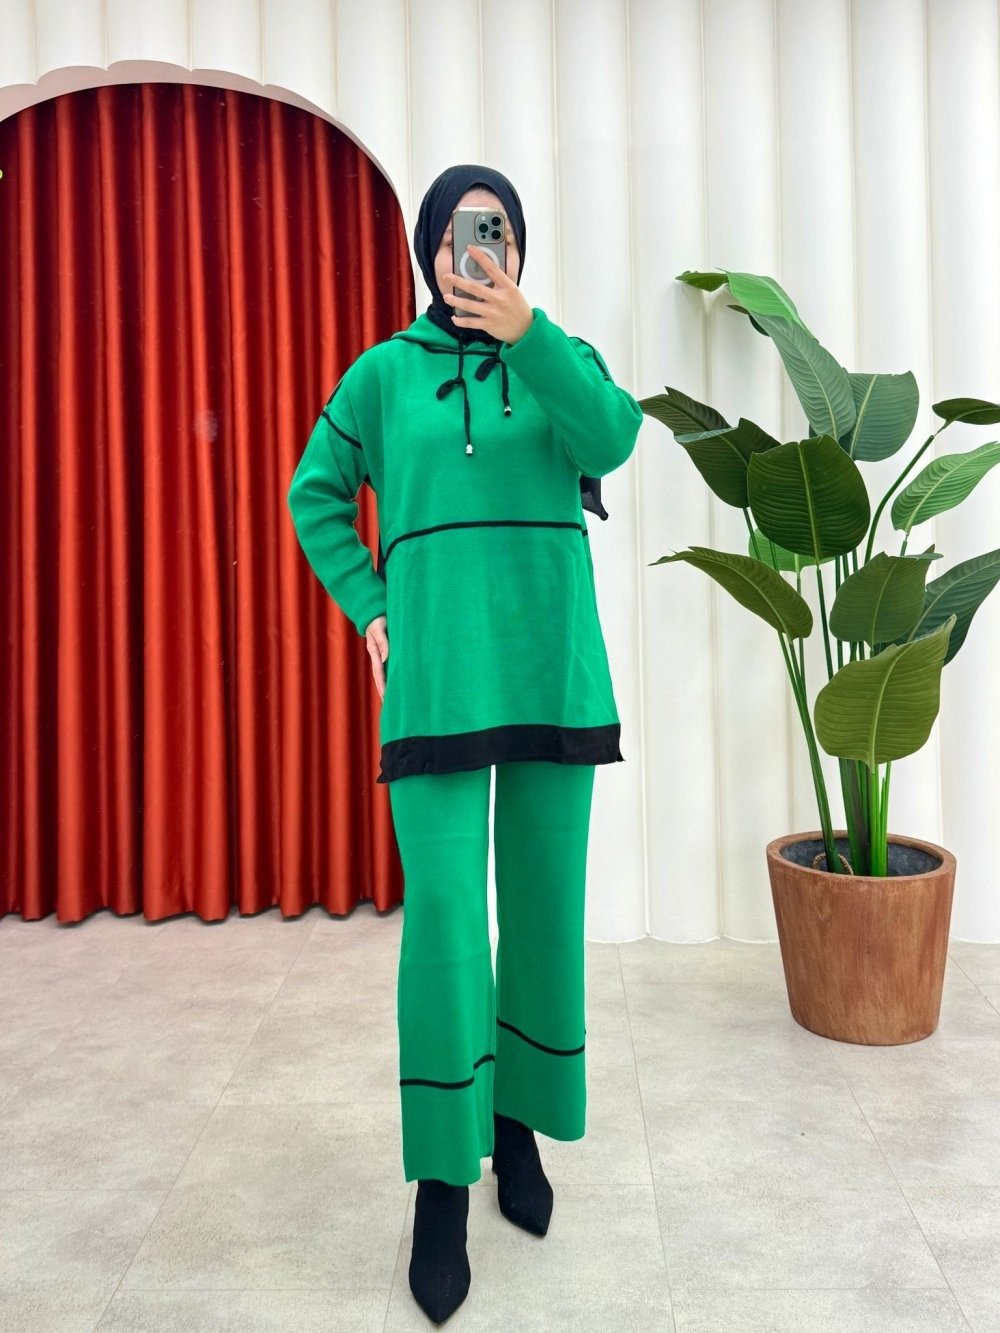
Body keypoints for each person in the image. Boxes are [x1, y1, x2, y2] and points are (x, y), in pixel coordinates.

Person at [287, 163, 642, 1324]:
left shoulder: (562, 355)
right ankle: (442, 1178)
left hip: (550, 669)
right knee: (444, 926)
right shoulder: (382, 374)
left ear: (517, 250)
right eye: (452, 235)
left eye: (493, 234)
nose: (471, 253)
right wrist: (369, 604)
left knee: (539, 910)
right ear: (426, 253)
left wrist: (529, 334)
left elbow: (613, 437)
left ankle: (516, 1125)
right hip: (436, 679)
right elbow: (313, 493)